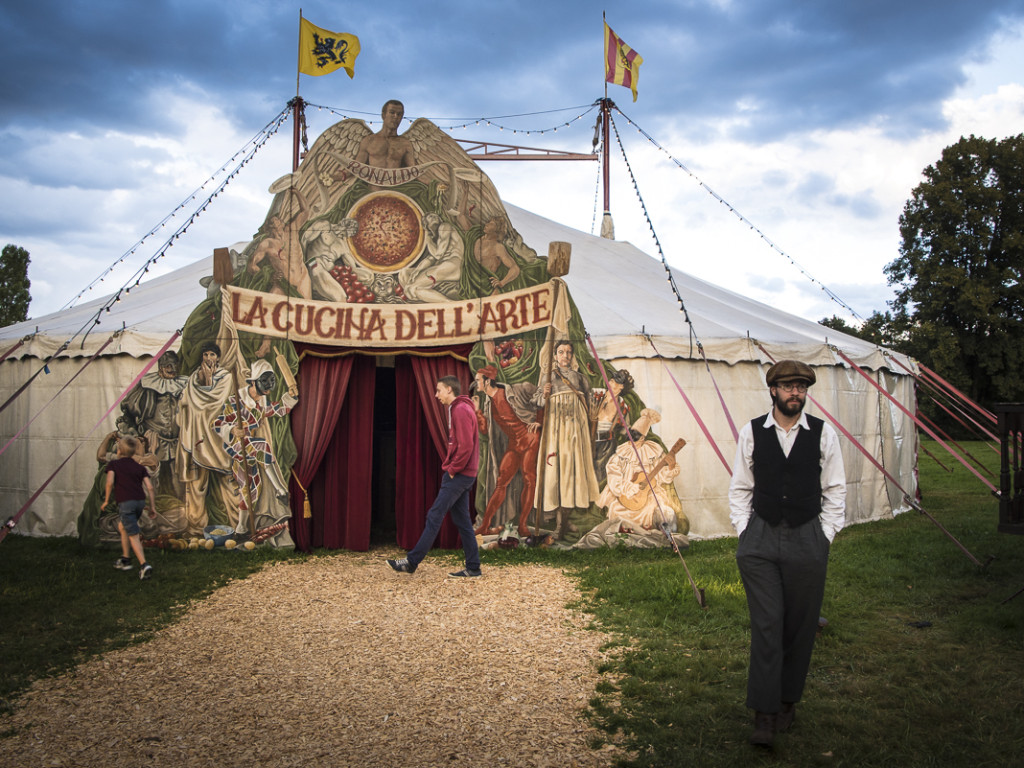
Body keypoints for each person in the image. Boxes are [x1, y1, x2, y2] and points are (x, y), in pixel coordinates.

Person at [728, 359, 846, 748]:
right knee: (767, 625)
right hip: (760, 538)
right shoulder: (752, 431)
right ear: (773, 391)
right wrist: (745, 531)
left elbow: (835, 489)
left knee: (799, 625)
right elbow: (741, 486)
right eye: (788, 386)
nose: (795, 392)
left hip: (807, 537)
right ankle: (763, 714)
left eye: (801, 387)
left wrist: (825, 535)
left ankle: (786, 702)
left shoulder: (824, 435)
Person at [388, 375, 482, 577]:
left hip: (459, 474)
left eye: (439, 390)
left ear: (450, 389)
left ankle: (412, 562)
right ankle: (473, 567)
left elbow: (466, 447)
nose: (436, 395)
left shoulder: (460, 409)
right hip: (464, 473)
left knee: (435, 515)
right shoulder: (461, 408)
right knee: (463, 520)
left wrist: (452, 469)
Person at [533, 339, 600, 537]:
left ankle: (565, 520)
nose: (565, 356)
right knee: (556, 469)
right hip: (555, 429)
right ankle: (556, 520)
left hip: (574, 430)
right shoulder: (548, 377)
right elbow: (536, 402)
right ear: (554, 356)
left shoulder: (581, 378)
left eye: (568, 352)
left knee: (572, 469)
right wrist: (543, 394)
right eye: (561, 352)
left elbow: (589, 404)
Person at [472, 364, 540, 537]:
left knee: (529, 479)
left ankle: (523, 525)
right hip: (514, 444)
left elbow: (541, 398)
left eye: (478, 380)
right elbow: (485, 430)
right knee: (501, 481)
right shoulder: (488, 402)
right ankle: (485, 525)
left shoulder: (515, 391)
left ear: (487, 381)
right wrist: (477, 412)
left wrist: (539, 420)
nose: (476, 383)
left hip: (530, 439)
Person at [175, 341, 234, 534]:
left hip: (216, 438)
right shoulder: (194, 377)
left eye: (212, 355)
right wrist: (203, 381)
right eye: (206, 354)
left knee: (228, 479)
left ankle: (236, 525)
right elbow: (187, 402)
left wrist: (209, 382)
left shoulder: (225, 377)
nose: (209, 358)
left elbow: (216, 403)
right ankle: (196, 528)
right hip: (197, 435)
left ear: (218, 357)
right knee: (196, 483)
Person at [596, 409, 686, 534]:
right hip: (625, 493)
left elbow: (662, 476)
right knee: (617, 509)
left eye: (637, 438)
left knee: (659, 510)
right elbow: (613, 474)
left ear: (643, 437)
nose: (633, 441)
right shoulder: (622, 452)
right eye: (631, 437)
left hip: (649, 494)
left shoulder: (653, 451)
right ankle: (626, 533)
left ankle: (655, 533)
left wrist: (670, 467)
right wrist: (628, 487)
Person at [103, 435, 158, 580]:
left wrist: (106, 500)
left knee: (133, 535)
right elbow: (150, 488)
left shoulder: (114, 465)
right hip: (139, 502)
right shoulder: (139, 467)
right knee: (123, 527)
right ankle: (125, 559)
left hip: (126, 503)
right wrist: (152, 507)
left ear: (119, 451)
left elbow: (109, 483)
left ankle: (144, 565)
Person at [355, 99, 416, 169]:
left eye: (399, 114)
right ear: (383, 115)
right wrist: (342, 174)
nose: (396, 116)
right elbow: (356, 167)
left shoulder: (405, 143)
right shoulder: (368, 141)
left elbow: (413, 171)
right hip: (373, 179)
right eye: (392, 112)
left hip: (396, 179)